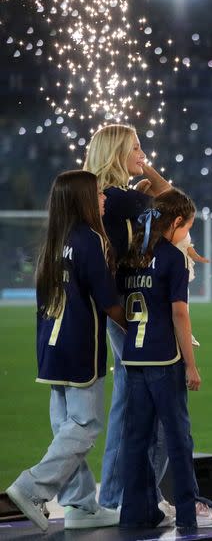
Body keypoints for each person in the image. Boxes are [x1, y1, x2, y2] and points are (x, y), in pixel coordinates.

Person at [6, 170, 126, 531]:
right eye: (98, 194)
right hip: (79, 346)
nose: (104, 199)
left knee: (65, 426)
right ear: (82, 199)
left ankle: (80, 505)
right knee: (85, 425)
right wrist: (140, 330)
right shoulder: (90, 239)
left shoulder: (53, 240)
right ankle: (32, 487)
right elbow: (107, 301)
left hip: (49, 344)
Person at [117, 189, 212, 529]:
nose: (188, 236)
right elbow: (179, 313)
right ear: (177, 222)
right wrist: (190, 364)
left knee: (136, 441)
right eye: (187, 228)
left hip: (134, 358)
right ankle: (187, 514)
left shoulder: (131, 255)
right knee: (179, 438)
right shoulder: (172, 258)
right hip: (164, 360)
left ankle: (135, 514)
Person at [83, 124, 174, 514]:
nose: (142, 154)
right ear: (117, 152)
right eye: (135, 148)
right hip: (128, 307)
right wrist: (150, 173)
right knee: (145, 398)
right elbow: (176, 206)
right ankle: (131, 495)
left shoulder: (108, 197)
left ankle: (121, 494)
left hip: (116, 303)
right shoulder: (116, 197)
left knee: (129, 396)